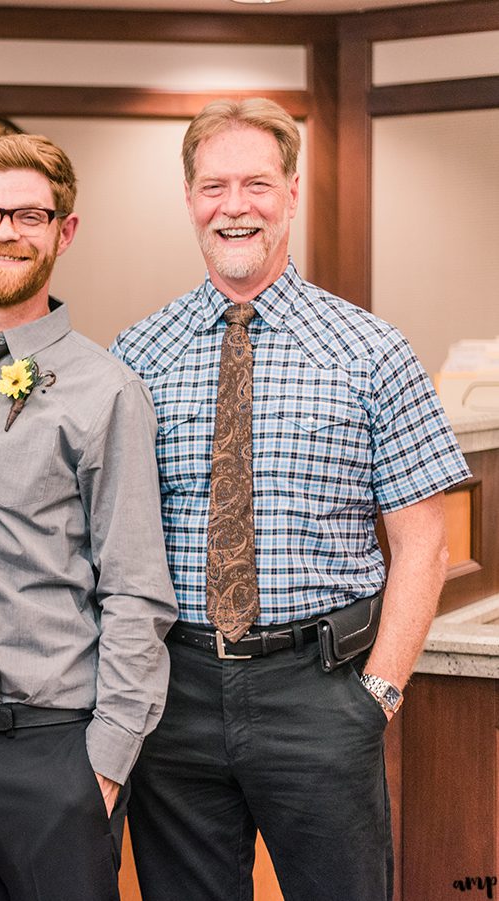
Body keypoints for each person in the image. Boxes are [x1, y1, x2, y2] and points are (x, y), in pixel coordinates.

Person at [110, 98, 471, 901]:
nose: (234, 206)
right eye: (214, 186)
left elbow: (426, 545)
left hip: (321, 689)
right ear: (189, 198)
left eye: (256, 184)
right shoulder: (135, 354)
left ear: (293, 193)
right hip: (176, 696)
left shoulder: (372, 351)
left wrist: (375, 696)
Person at [0, 134, 177, 901]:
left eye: (28, 215)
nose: (5, 231)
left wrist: (104, 766)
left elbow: (137, 590)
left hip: (50, 748)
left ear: (63, 231)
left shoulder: (106, 389)